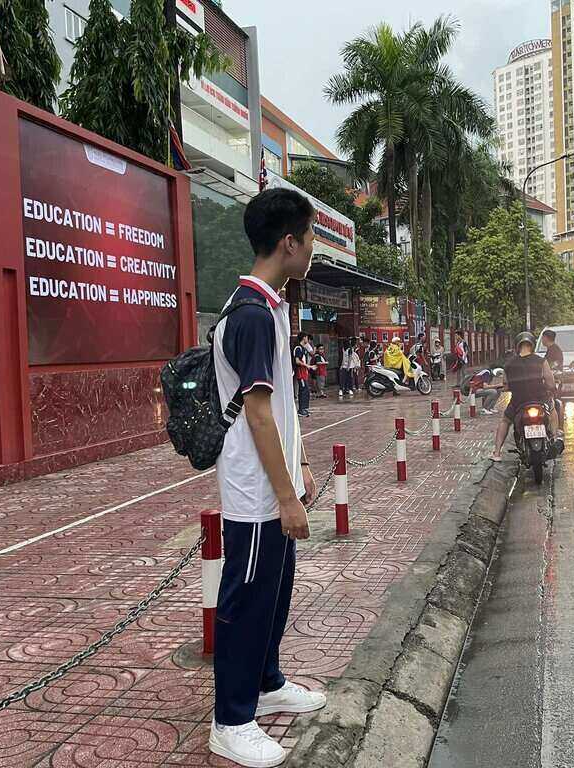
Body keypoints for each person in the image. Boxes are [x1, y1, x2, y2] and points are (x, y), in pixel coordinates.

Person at [210, 187, 326, 766]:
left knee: (274, 595)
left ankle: (267, 680)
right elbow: (257, 413)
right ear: (289, 243)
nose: (313, 249)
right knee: (246, 600)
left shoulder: (270, 307)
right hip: (256, 494)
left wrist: (301, 465)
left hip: (274, 487)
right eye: (310, 238)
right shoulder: (252, 314)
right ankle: (230, 719)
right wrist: (287, 497)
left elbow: (280, 408)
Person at [491, 332, 562, 461]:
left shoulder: (509, 364)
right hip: (540, 399)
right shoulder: (541, 361)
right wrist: (552, 389)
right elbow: (550, 382)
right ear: (533, 345)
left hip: (518, 402)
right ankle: (555, 438)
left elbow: (506, 385)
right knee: (552, 410)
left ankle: (496, 453)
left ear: (517, 346)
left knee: (505, 421)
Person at [292, 332, 313, 417]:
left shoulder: (303, 348)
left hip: (304, 372)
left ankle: (305, 408)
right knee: (303, 390)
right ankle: (301, 410)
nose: (307, 340)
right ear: (304, 338)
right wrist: (307, 365)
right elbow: (297, 361)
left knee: (306, 390)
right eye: (307, 338)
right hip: (300, 373)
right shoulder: (298, 348)